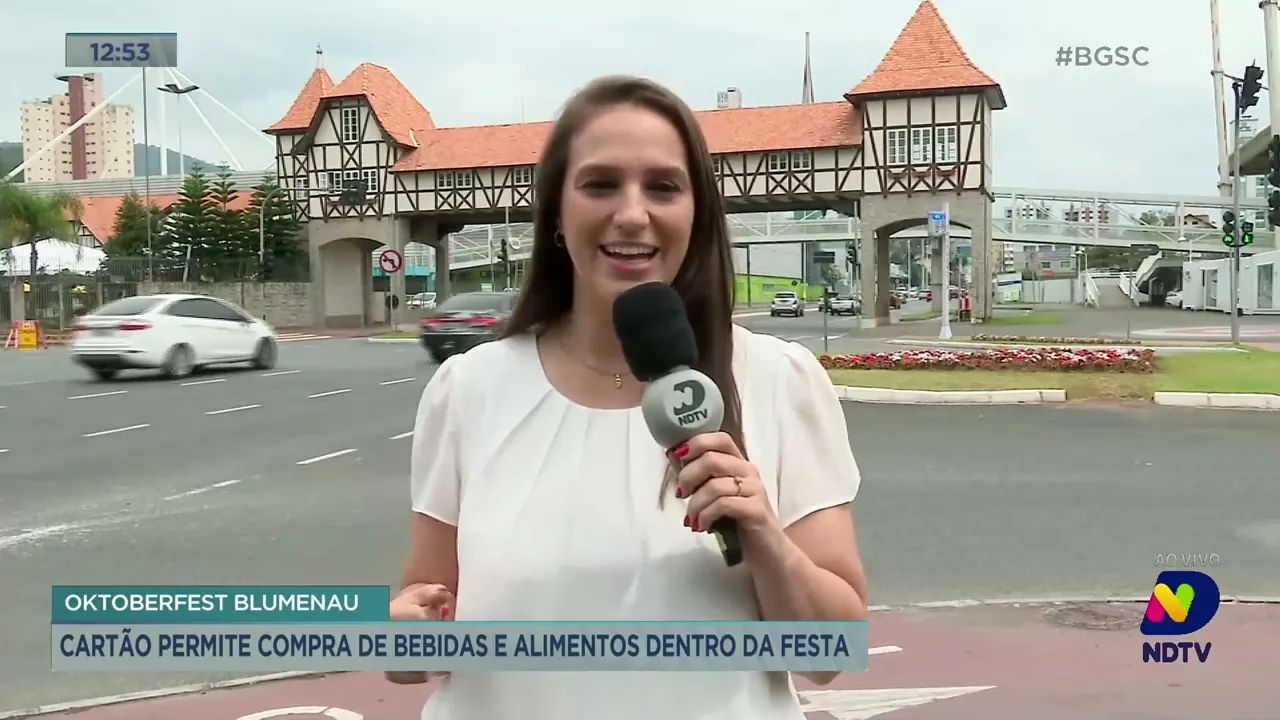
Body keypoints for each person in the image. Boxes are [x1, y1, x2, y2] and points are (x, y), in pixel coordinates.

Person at [393, 75, 868, 720]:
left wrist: (763, 536)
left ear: (696, 212)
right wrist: (403, 632)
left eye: (664, 187)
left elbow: (829, 653)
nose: (633, 213)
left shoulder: (780, 378)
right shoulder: (468, 389)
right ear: (557, 213)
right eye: (600, 184)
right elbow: (418, 627)